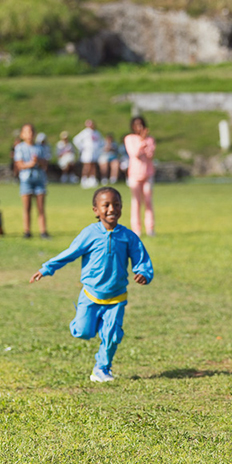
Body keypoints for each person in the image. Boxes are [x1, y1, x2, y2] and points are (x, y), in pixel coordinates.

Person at [29, 187, 153, 382]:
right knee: (83, 331)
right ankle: (82, 320)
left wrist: (143, 273)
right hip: (91, 295)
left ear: (122, 208)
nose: (112, 209)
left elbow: (141, 258)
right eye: (106, 205)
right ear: (96, 210)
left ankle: (102, 368)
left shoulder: (128, 236)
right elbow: (70, 253)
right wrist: (47, 268)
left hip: (117, 296)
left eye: (117, 205)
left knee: (111, 335)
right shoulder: (89, 234)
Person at [14, 123, 49, 239]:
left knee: (40, 207)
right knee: (27, 207)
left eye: (31, 132)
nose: (29, 134)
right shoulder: (20, 148)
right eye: (27, 132)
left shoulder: (40, 148)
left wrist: (38, 161)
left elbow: (45, 164)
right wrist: (30, 164)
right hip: (26, 179)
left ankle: (43, 231)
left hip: (39, 178)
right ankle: (27, 231)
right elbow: (19, 164)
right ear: (22, 134)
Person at [124, 116, 156, 237]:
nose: (140, 127)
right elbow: (135, 154)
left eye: (141, 124)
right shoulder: (130, 138)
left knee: (148, 201)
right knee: (136, 202)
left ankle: (150, 228)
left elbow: (150, 154)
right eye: (137, 125)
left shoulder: (150, 139)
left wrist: (145, 142)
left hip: (147, 174)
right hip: (134, 174)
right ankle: (136, 229)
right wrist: (142, 141)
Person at [73, 119, 104, 189]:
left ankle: (92, 179)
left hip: (95, 151)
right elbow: (76, 140)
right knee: (87, 165)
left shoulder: (97, 133)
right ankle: (84, 179)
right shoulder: (85, 132)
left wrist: (99, 149)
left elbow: (101, 142)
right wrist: (82, 147)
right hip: (87, 151)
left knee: (93, 165)